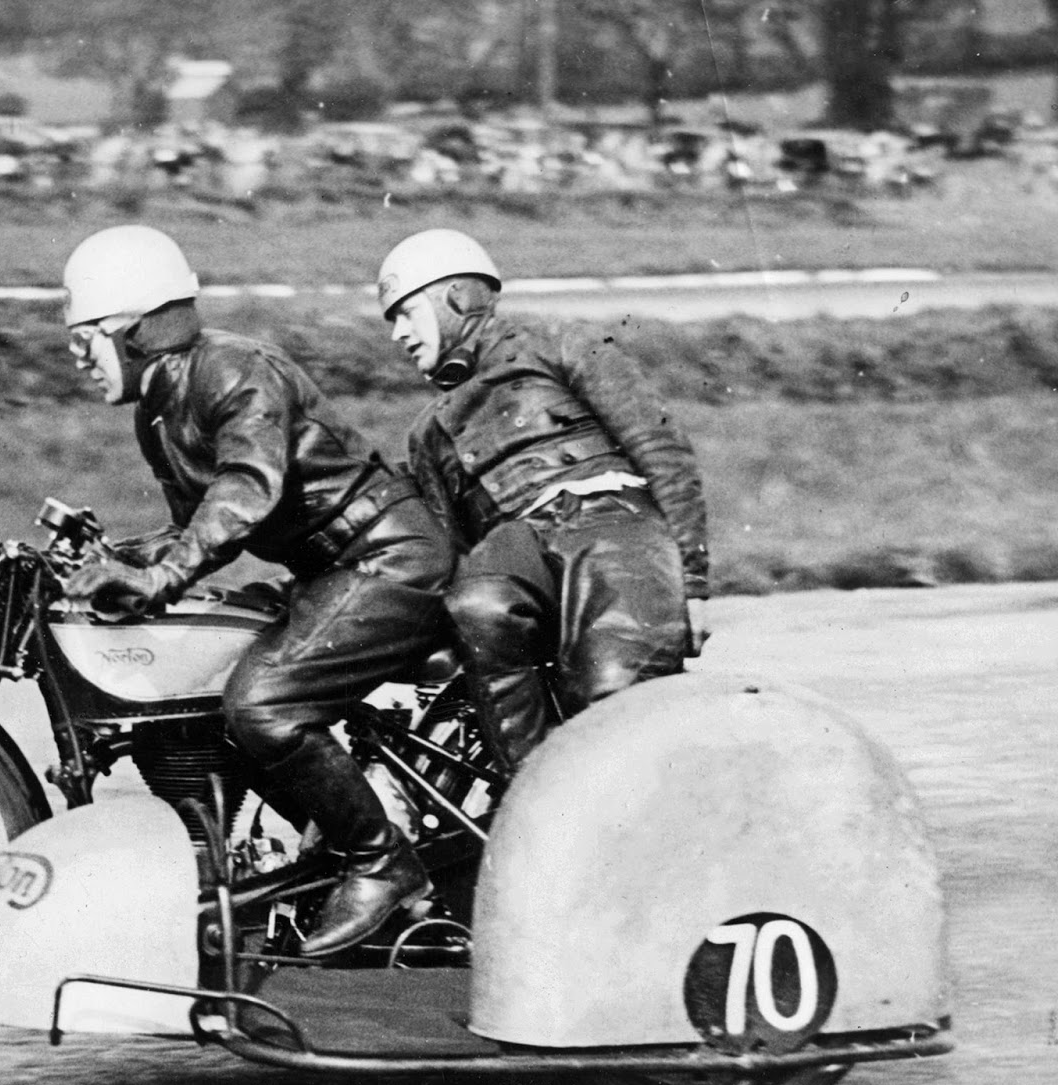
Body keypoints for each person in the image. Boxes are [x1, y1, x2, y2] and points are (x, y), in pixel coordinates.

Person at [60, 225, 457, 956]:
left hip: (387, 558)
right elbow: (195, 524)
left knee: (263, 701)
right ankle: (313, 848)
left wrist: (159, 576)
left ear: (138, 331)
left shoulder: (235, 372)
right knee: (213, 680)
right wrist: (111, 562)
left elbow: (244, 491)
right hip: (331, 569)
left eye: (87, 339)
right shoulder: (158, 410)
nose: (79, 359)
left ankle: (379, 862)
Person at [375, 228, 709, 774]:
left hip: (615, 521)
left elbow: (660, 448)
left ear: (456, 297)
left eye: (406, 313)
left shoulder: (560, 342)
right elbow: (453, 546)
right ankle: (530, 787)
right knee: (477, 605)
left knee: (614, 695)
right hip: (523, 541)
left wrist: (693, 582)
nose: (398, 334)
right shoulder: (428, 432)